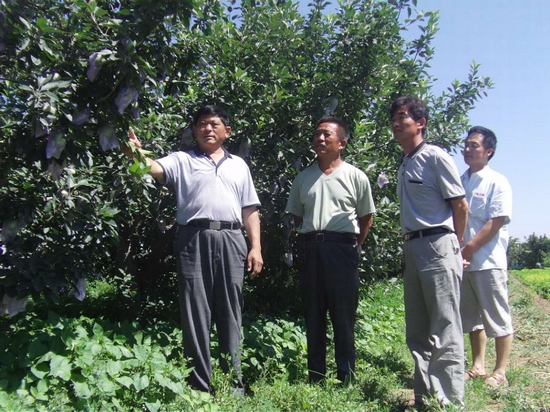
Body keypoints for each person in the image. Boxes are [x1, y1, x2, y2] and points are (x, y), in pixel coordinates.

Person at [122, 104, 263, 393]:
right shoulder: (182, 159)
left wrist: (256, 247)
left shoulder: (239, 165)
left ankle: (233, 384)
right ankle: (200, 386)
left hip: (231, 238)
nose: (207, 128)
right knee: (195, 310)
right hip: (192, 238)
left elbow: (250, 209)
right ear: (195, 131)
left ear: (227, 131)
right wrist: (134, 152)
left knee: (231, 310)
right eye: (201, 124)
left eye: (214, 123)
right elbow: (153, 167)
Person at [390, 96, 468, 406]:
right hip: (412, 247)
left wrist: (455, 245)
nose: (396, 123)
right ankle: (424, 398)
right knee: (417, 329)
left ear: (420, 123)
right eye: (394, 118)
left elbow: (460, 205)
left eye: (403, 117)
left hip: (438, 244)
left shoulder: (435, 156)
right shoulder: (405, 162)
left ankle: (449, 401)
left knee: (445, 325)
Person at [285, 117, 375, 384]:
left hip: (342, 250)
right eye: (317, 134)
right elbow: (298, 217)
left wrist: (351, 245)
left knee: (343, 315)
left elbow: (366, 217)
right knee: (313, 314)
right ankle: (316, 376)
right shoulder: (303, 178)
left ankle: (346, 376)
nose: (320, 139)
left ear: (342, 143)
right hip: (310, 249)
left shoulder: (356, 176)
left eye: (326, 134)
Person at [460, 126, 513, 388]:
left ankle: (500, 371)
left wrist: (469, 247)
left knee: (497, 316)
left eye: (474, 145)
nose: (467, 149)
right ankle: (477, 365)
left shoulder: (497, 181)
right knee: (472, 319)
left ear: (488, 151)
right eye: (466, 144)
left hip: (488, 261)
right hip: (463, 261)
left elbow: (497, 220)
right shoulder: (459, 180)